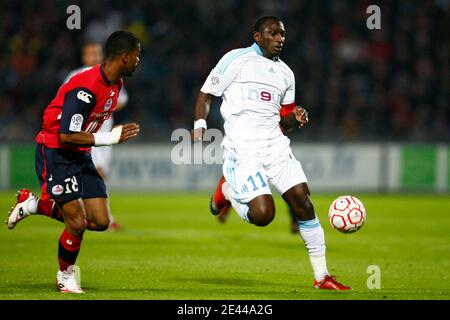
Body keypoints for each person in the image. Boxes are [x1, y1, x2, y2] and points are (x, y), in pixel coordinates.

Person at [193, 16, 351, 290]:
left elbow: (284, 120)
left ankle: (322, 277)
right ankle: (228, 192)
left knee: (303, 202)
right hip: (243, 149)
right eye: (274, 33)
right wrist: (199, 125)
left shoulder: (286, 74)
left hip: (276, 146)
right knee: (264, 215)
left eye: (283, 34)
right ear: (257, 36)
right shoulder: (236, 59)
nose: (280, 38)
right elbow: (206, 94)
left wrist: (296, 116)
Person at [6, 30, 141, 293]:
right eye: (137, 56)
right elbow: (66, 135)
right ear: (125, 57)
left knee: (101, 221)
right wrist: (108, 139)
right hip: (56, 153)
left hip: (80, 154)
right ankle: (65, 276)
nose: (139, 61)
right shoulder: (85, 87)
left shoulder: (116, 85)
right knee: (77, 224)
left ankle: (33, 205)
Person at [64, 43, 129, 230]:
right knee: (97, 171)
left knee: (101, 173)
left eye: (96, 53)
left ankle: (91, 212)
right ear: (83, 57)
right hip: (85, 134)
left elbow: (122, 100)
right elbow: (66, 100)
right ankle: (104, 216)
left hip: (105, 133)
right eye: (89, 53)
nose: (93, 56)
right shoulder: (75, 76)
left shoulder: (110, 75)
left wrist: (105, 105)